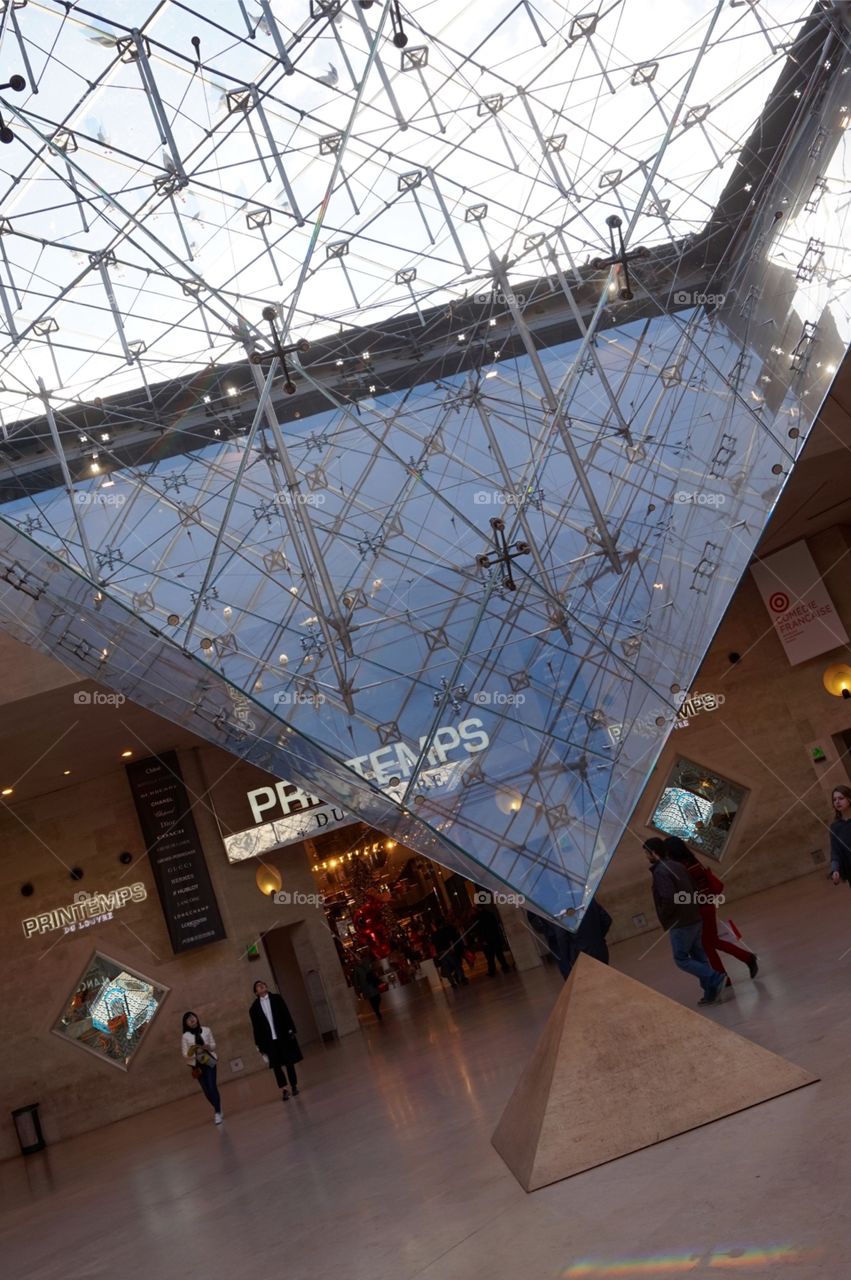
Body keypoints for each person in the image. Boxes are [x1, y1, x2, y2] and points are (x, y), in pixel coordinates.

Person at [663, 835, 758, 984]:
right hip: (706, 905)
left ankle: (737, 966)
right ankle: (728, 974)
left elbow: (690, 890)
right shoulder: (693, 862)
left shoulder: (683, 868)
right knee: (710, 943)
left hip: (701, 908)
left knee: (709, 943)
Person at [643, 837, 726, 1006]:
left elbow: (668, 898)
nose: (646, 857)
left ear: (654, 853)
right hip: (694, 917)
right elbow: (694, 888)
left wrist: (666, 916)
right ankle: (710, 992)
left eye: (646, 853)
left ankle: (715, 977)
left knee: (681, 958)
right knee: (699, 956)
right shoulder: (678, 865)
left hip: (680, 922)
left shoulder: (661, 872)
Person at [249, 979, 304, 1101]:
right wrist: (258, 1044)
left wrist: (291, 1030)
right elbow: (256, 1028)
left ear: (267, 987)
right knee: (276, 1066)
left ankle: (294, 1085)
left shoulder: (277, 999)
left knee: (289, 1062)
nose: (261, 986)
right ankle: (284, 1089)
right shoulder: (254, 1008)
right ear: (256, 992)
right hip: (269, 1041)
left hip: (282, 1036)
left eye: (263, 984)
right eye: (258, 986)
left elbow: (286, 1014)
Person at [181, 1011, 222, 1124]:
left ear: (197, 1018)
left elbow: (213, 1045)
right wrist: (194, 1051)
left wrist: (208, 1046)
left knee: (212, 1086)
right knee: (207, 1091)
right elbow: (185, 1054)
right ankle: (217, 1106)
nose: (192, 1019)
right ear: (186, 1023)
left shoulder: (206, 1030)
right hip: (197, 1065)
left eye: (193, 1017)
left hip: (209, 1061)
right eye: (188, 1019)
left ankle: (217, 1112)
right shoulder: (185, 1036)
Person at [473, 904, 511, 976]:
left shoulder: (478, 917)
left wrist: (482, 939)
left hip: (487, 939)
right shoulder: (490, 914)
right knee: (499, 954)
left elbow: (480, 930)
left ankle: (492, 971)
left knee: (490, 957)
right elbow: (495, 926)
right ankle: (505, 967)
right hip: (495, 938)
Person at [829, 785, 851, 889]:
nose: (837, 802)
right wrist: (835, 870)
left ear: (849, 799)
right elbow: (835, 852)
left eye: (841, 798)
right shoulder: (835, 827)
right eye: (834, 800)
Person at [352, 949, 384, 1021]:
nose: (357, 957)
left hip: (372, 984)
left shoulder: (366, 962)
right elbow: (356, 981)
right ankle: (377, 1012)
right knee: (372, 1000)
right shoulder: (356, 969)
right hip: (366, 987)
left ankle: (377, 1010)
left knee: (378, 998)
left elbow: (371, 966)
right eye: (356, 957)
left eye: (358, 955)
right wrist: (357, 990)